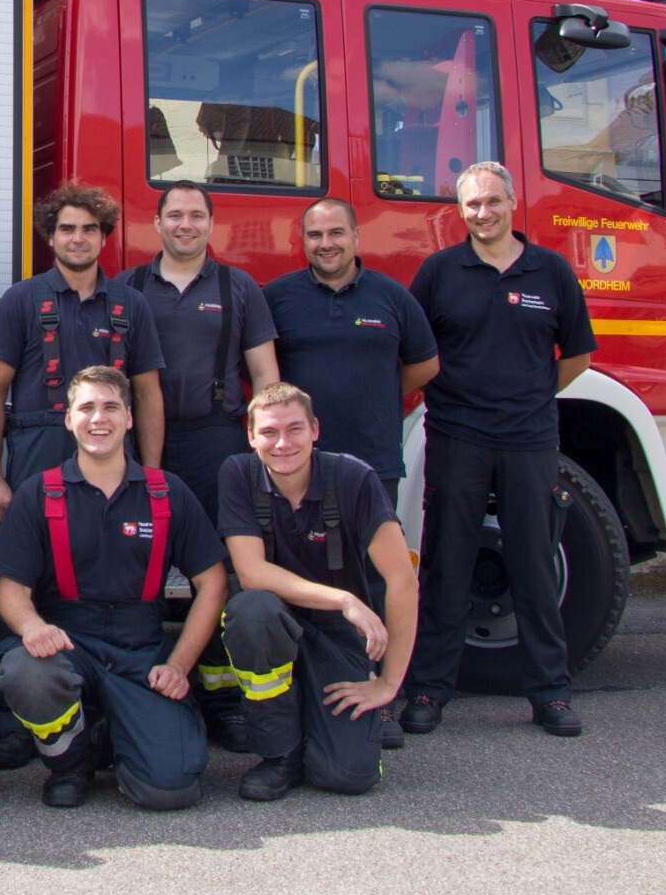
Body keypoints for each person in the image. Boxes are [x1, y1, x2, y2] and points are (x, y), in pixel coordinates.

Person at [403, 161, 596, 737]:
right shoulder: (439, 272)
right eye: (472, 204)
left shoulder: (550, 271)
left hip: (529, 440)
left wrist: (529, 398)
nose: (482, 213)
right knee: (448, 564)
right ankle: (429, 689)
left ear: (513, 202)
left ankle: (550, 694)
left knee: (534, 566)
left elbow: (577, 355)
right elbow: (413, 352)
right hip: (457, 435)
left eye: (492, 201)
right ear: (459, 211)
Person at [0, 182, 165, 770]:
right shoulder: (20, 300)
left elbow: (147, 394)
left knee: (98, 569)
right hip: (36, 443)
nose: (77, 238)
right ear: (50, 237)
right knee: (26, 575)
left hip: (112, 449)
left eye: (89, 229)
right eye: (66, 229)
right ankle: (12, 716)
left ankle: (94, 704)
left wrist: (152, 476)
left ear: (104, 236)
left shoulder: (131, 305)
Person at [0, 366, 228, 810]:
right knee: (28, 672)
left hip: (141, 649)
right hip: (68, 642)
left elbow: (212, 582)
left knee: (169, 790)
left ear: (130, 418)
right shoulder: (38, 493)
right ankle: (70, 762)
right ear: (68, 419)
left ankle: (110, 735)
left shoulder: (167, 492)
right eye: (87, 408)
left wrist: (178, 665)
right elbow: (12, 591)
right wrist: (33, 628)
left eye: (111, 407)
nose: (99, 418)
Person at [119, 180, 278, 750]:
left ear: (212, 224)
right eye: (174, 215)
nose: (185, 224)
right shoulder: (129, 286)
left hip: (217, 440)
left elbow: (265, 373)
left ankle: (222, 695)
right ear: (157, 223)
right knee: (136, 562)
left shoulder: (239, 287)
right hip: (140, 443)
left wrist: (267, 444)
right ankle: (138, 686)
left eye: (195, 215)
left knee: (219, 568)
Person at [218, 383, 419, 801]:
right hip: (276, 625)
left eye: (294, 429)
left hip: (336, 637)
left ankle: (322, 730)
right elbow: (252, 573)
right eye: (269, 432)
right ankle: (281, 754)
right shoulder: (238, 474)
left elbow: (402, 582)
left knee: (347, 776)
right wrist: (344, 599)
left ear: (315, 430)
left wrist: (388, 684)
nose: (282, 443)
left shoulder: (354, 478)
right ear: (251, 436)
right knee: (251, 610)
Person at [263, 197, 439, 507]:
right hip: (295, 461)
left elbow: (427, 364)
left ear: (355, 235)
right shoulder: (276, 297)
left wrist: (379, 390)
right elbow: (255, 367)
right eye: (315, 235)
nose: (325, 244)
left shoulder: (392, 295)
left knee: (374, 540)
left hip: (373, 462)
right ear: (303, 240)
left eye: (336, 233)